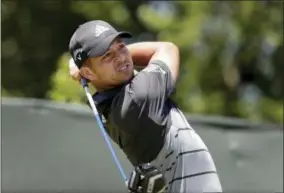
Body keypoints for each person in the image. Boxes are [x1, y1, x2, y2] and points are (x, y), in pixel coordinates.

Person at [68, 20, 223, 193]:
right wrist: (84, 67)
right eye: (107, 56)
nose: (120, 57)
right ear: (88, 73)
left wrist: (87, 66)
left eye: (121, 47)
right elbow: (167, 49)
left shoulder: (111, 103)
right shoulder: (138, 98)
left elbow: (110, 68)